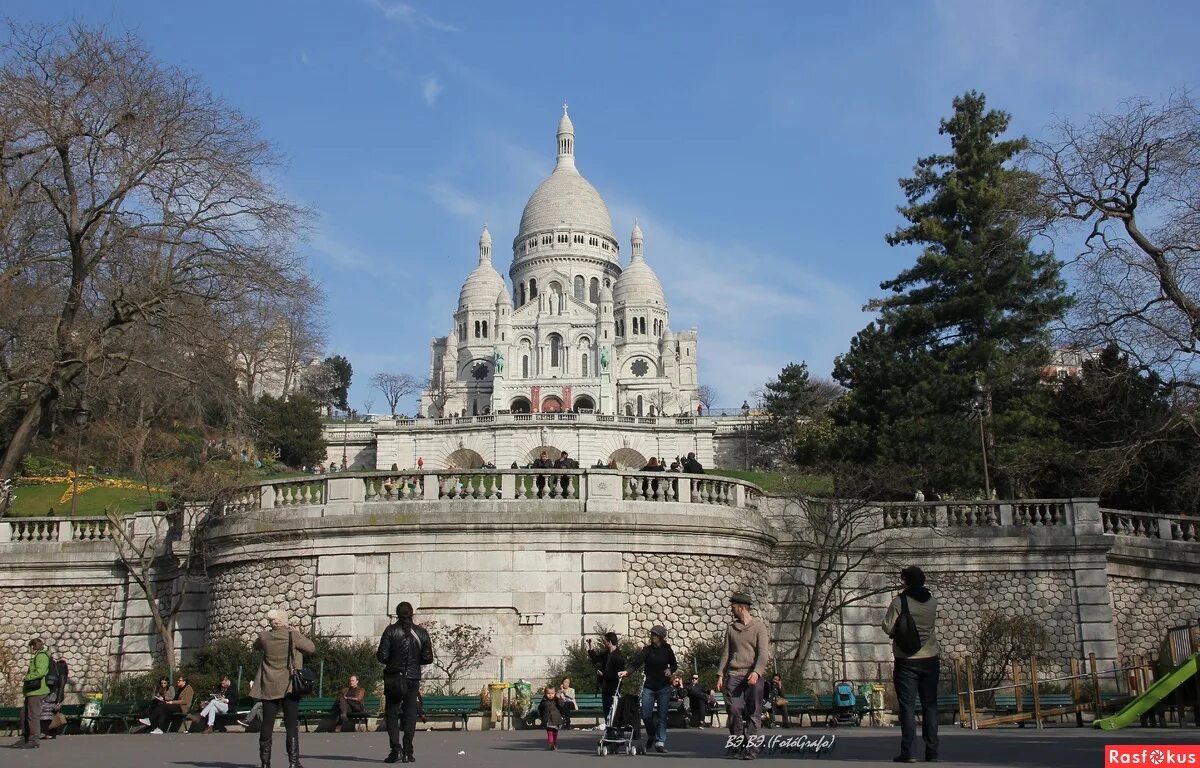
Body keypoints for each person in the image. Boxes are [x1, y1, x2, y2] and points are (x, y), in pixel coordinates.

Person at [882, 566, 940, 764]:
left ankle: (909, 752)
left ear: (906, 580)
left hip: (906, 660)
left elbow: (887, 626)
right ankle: (932, 751)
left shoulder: (900, 601)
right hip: (930, 657)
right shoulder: (933, 602)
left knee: (907, 707)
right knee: (930, 706)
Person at [253, 608, 315, 768]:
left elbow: (255, 646)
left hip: (268, 684)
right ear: (284, 620)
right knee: (291, 724)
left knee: (267, 723)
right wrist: (298, 633)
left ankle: (265, 763)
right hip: (289, 685)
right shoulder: (292, 635)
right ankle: (293, 762)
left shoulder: (264, 637)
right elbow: (311, 648)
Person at [377, 601, 434, 764]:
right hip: (412, 678)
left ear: (397, 614)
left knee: (392, 714)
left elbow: (381, 656)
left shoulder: (390, 631)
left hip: (394, 677)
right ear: (411, 613)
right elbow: (428, 658)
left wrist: (394, 661)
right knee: (410, 715)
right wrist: (414, 663)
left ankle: (395, 750)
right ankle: (408, 751)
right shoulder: (422, 633)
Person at [717, 591, 770, 760]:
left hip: (753, 675)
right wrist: (720, 674)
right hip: (734, 674)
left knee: (755, 712)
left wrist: (756, 672)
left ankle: (752, 748)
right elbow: (726, 654)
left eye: (733, 606)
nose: (731, 609)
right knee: (734, 710)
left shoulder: (759, 627)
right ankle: (738, 743)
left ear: (741, 608)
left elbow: (763, 654)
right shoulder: (731, 629)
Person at [619, 625, 678, 754]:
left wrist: (670, 669)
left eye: (655, 635)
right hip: (649, 687)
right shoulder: (647, 650)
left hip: (663, 687)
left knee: (662, 716)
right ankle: (651, 734)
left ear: (662, 637)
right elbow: (636, 662)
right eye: (652, 634)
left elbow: (674, 664)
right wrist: (627, 672)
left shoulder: (667, 649)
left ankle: (660, 742)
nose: (652, 636)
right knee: (646, 714)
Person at [13, 639, 51, 748]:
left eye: (30, 647)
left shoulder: (41, 656)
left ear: (33, 646)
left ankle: (34, 740)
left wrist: (27, 677)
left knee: (33, 716)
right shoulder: (37, 656)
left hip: (37, 691)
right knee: (24, 714)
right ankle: (26, 738)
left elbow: (40, 672)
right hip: (31, 691)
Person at [587, 633, 625, 722]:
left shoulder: (618, 657)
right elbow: (596, 659)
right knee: (606, 710)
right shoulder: (607, 654)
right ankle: (609, 730)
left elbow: (618, 674)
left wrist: (603, 674)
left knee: (613, 709)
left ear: (609, 642)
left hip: (614, 687)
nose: (604, 642)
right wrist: (590, 647)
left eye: (605, 641)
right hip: (605, 686)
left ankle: (615, 730)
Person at [38, 652, 68, 740]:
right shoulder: (62, 672)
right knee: (54, 713)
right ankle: (52, 733)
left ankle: (45, 732)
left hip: (53, 694)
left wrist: (57, 698)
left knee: (46, 713)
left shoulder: (55, 669)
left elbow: (59, 685)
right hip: (58, 695)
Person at [537, 685, 565, 750]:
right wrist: (541, 717)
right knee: (549, 732)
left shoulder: (556, 700)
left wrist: (558, 697)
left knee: (555, 732)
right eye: (548, 693)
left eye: (552, 693)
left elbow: (562, 705)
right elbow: (540, 709)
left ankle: (554, 743)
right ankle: (551, 744)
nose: (550, 695)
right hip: (548, 719)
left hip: (556, 719)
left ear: (555, 693)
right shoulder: (543, 701)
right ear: (545, 694)